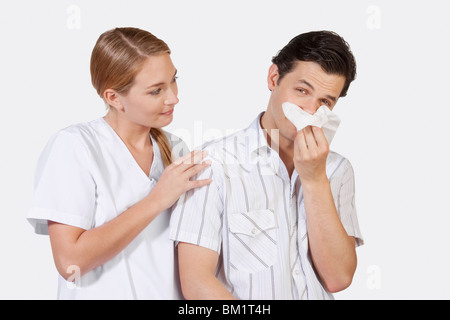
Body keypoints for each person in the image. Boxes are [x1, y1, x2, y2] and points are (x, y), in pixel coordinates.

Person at [170, 30, 364, 300]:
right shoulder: (213, 163)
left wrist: (315, 179)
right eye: (301, 90)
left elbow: (338, 278)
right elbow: (196, 283)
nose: (309, 110)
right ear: (274, 78)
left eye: (324, 102)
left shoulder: (338, 170)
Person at [27, 27, 211, 299]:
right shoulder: (75, 147)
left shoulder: (176, 150)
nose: (174, 97)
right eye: (155, 91)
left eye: (174, 80)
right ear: (114, 98)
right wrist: (156, 199)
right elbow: (70, 263)